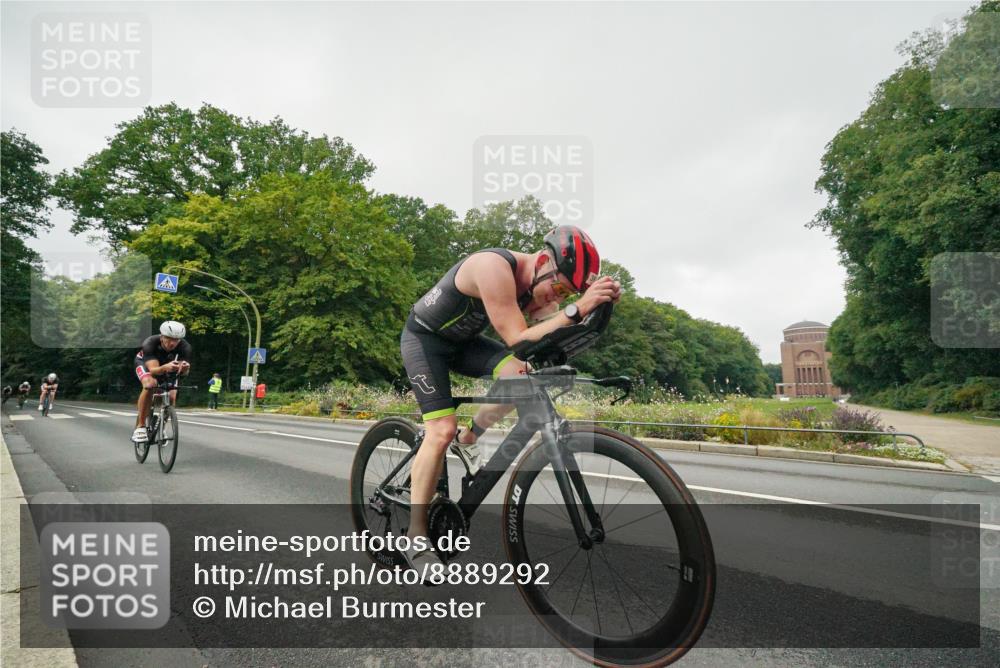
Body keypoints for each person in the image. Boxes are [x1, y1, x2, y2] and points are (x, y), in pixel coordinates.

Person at [400, 225, 620, 580]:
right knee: (440, 431)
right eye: (559, 289)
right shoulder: (493, 266)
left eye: (567, 293)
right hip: (425, 341)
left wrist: (597, 307)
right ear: (543, 262)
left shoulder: (541, 285)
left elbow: (547, 334)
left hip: (465, 344)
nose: (556, 298)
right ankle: (415, 536)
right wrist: (578, 307)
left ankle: (468, 439)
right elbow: (519, 337)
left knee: (522, 376)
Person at [132, 321, 192, 443]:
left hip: (167, 366)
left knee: (172, 396)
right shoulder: (150, 343)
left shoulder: (185, 347)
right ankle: (140, 426)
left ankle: (161, 427)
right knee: (150, 384)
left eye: (176, 340)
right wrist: (165, 367)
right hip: (146, 364)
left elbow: (183, 373)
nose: (172, 343)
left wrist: (185, 369)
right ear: (162, 336)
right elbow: (153, 370)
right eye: (169, 338)